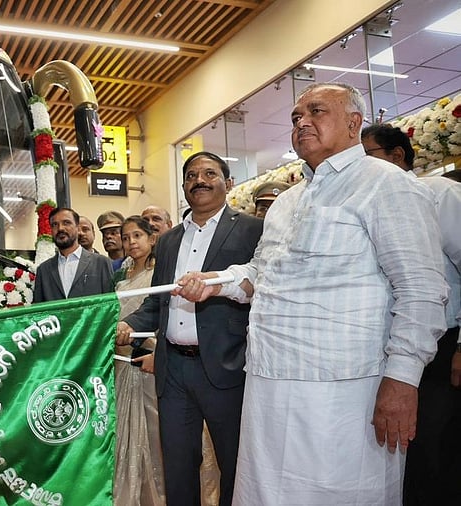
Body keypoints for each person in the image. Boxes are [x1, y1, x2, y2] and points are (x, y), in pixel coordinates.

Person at [176, 83, 447, 505]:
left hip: (344, 388)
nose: (301, 122)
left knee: (340, 492)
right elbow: (260, 274)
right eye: (295, 117)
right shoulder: (287, 201)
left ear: (354, 123)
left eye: (316, 111)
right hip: (269, 382)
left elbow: (422, 288)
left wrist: (403, 378)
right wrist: (215, 282)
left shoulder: (386, 184)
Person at [116, 151, 262, 506]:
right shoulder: (167, 240)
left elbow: (261, 291)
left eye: (210, 173)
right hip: (173, 371)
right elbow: (157, 304)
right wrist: (127, 323)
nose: (200, 180)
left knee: (234, 463)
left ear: (228, 183)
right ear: (183, 186)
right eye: (192, 174)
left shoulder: (251, 229)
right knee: (178, 465)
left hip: (227, 367)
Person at [362, 122, 461, 506]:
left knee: (433, 453)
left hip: (441, 350)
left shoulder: (439, 194)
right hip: (388, 348)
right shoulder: (368, 202)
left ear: (397, 156)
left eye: (367, 154)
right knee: (398, 452)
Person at [112, 215, 164, 505]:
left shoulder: (158, 276)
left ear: (151, 239)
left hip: (148, 360)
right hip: (121, 361)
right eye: (126, 237)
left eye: (137, 236)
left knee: (153, 430)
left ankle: (156, 492)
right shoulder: (123, 277)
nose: (131, 243)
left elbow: (158, 317)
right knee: (125, 430)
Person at [32, 207, 114, 303]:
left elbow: (110, 305)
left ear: (77, 227)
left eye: (66, 223)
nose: (60, 228)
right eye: (55, 225)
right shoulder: (43, 270)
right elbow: (38, 311)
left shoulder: (101, 263)